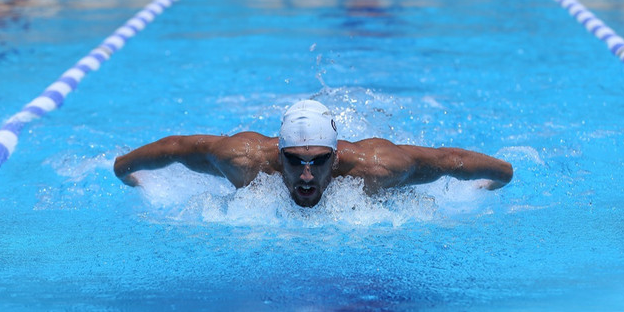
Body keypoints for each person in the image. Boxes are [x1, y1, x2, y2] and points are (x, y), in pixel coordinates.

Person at [113, 100, 513, 208]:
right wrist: (123, 170)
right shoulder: (245, 160)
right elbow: (176, 148)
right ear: (278, 154)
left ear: (336, 158)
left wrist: (500, 177)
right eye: (295, 162)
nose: (307, 176)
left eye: (320, 161)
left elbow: (447, 160)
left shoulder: (377, 168)